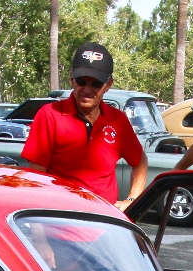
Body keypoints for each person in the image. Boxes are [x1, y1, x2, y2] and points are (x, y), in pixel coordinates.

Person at [21, 42, 147, 209]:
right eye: (82, 81)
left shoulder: (118, 120)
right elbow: (35, 179)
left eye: (95, 83)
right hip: (58, 224)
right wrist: (38, 231)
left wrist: (131, 200)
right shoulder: (49, 115)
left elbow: (140, 161)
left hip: (103, 224)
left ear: (108, 85)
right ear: (72, 79)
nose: (87, 89)